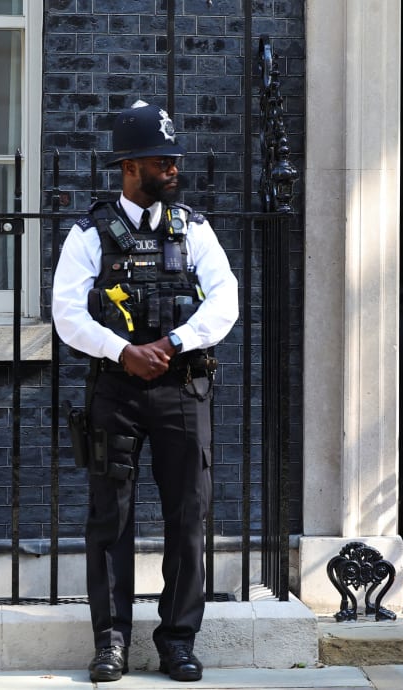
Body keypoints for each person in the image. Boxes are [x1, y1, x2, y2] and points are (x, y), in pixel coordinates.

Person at [52, 100, 239, 683]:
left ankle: (177, 642)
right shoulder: (89, 233)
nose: (173, 169)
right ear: (130, 167)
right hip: (116, 391)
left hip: (184, 389)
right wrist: (123, 351)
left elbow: (226, 298)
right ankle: (110, 642)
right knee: (110, 517)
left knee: (188, 517)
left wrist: (175, 342)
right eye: (162, 160)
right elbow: (64, 312)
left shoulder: (195, 229)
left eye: (174, 159)